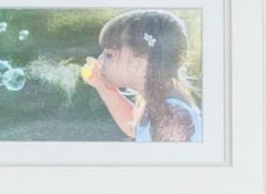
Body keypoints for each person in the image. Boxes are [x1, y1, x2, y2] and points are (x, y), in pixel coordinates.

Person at [79, 11, 200, 149]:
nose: (99, 61)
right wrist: (103, 87)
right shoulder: (160, 101)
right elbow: (133, 127)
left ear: (140, 65)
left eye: (109, 55)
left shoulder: (173, 119)